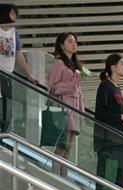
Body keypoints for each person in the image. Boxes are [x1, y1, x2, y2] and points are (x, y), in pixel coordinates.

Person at [93, 53, 123, 190]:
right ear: (112, 67)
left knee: (119, 179)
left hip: (120, 140)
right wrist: (122, 117)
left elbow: (117, 118)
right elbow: (100, 113)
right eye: (122, 63)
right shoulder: (105, 86)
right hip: (108, 141)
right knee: (106, 177)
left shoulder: (118, 88)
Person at [46, 32, 84, 164]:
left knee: (68, 149)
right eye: (70, 41)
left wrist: (81, 111)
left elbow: (77, 89)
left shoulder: (74, 65)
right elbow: (53, 88)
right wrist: (72, 83)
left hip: (74, 109)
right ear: (62, 45)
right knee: (62, 147)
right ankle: (56, 175)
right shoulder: (59, 63)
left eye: (75, 42)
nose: (74, 44)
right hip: (64, 109)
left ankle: (63, 176)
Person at [0, 4, 37, 132]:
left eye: (16, 14)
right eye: (12, 14)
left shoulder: (14, 33)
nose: (15, 17)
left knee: (7, 106)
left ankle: (3, 131)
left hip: (7, 74)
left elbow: (18, 54)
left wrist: (28, 75)